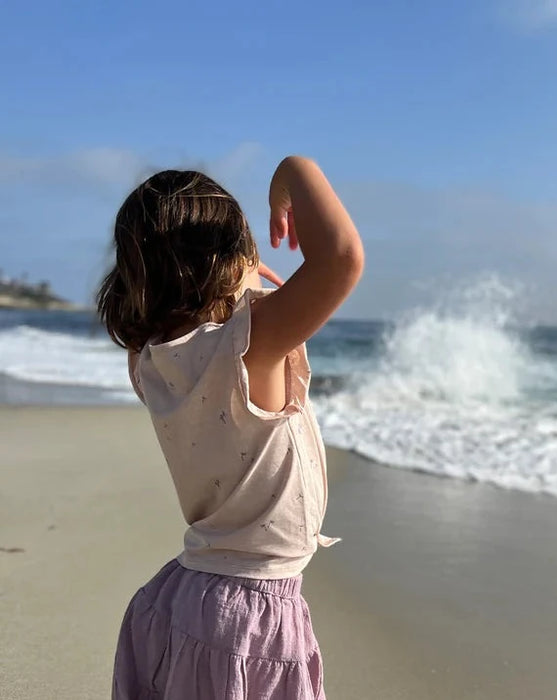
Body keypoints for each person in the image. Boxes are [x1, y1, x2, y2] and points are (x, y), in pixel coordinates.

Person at [97, 155, 364, 699]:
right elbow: (340, 258)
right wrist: (294, 170)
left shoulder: (149, 359)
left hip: (183, 595)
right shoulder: (250, 349)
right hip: (247, 615)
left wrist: (236, 279)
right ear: (230, 257)